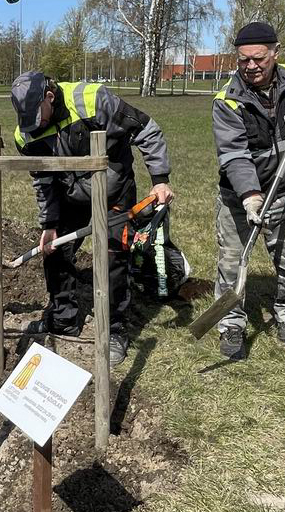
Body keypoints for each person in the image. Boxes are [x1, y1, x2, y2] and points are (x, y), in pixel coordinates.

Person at [11, 72, 174, 366]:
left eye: (38, 117)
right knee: (55, 252)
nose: (36, 125)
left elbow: (146, 129)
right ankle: (63, 320)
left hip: (114, 192)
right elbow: (43, 182)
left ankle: (114, 330)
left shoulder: (92, 100)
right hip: (69, 196)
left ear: (50, 97)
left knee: (112, 257)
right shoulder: (26, 135)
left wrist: (160, 179)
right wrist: (49, 224)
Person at [212, 21, 285, 359]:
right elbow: (234, 154)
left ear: (276, 53)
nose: (251, 66)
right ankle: (231, 324)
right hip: (239, 196)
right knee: (233, 262)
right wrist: (250, 195)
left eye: (259, 58)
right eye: (243, 59)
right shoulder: (227, 100)